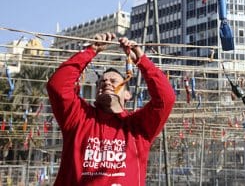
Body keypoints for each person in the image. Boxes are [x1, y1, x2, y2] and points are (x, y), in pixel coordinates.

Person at [47, 32, 175, 185]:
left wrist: (142, 60)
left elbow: (165, 98)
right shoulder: (79, 117)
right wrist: (90, 51)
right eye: (102, 82)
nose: (107, 83)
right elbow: (57, 86)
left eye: (114, 81)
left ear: (127, 94)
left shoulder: (138, 128)